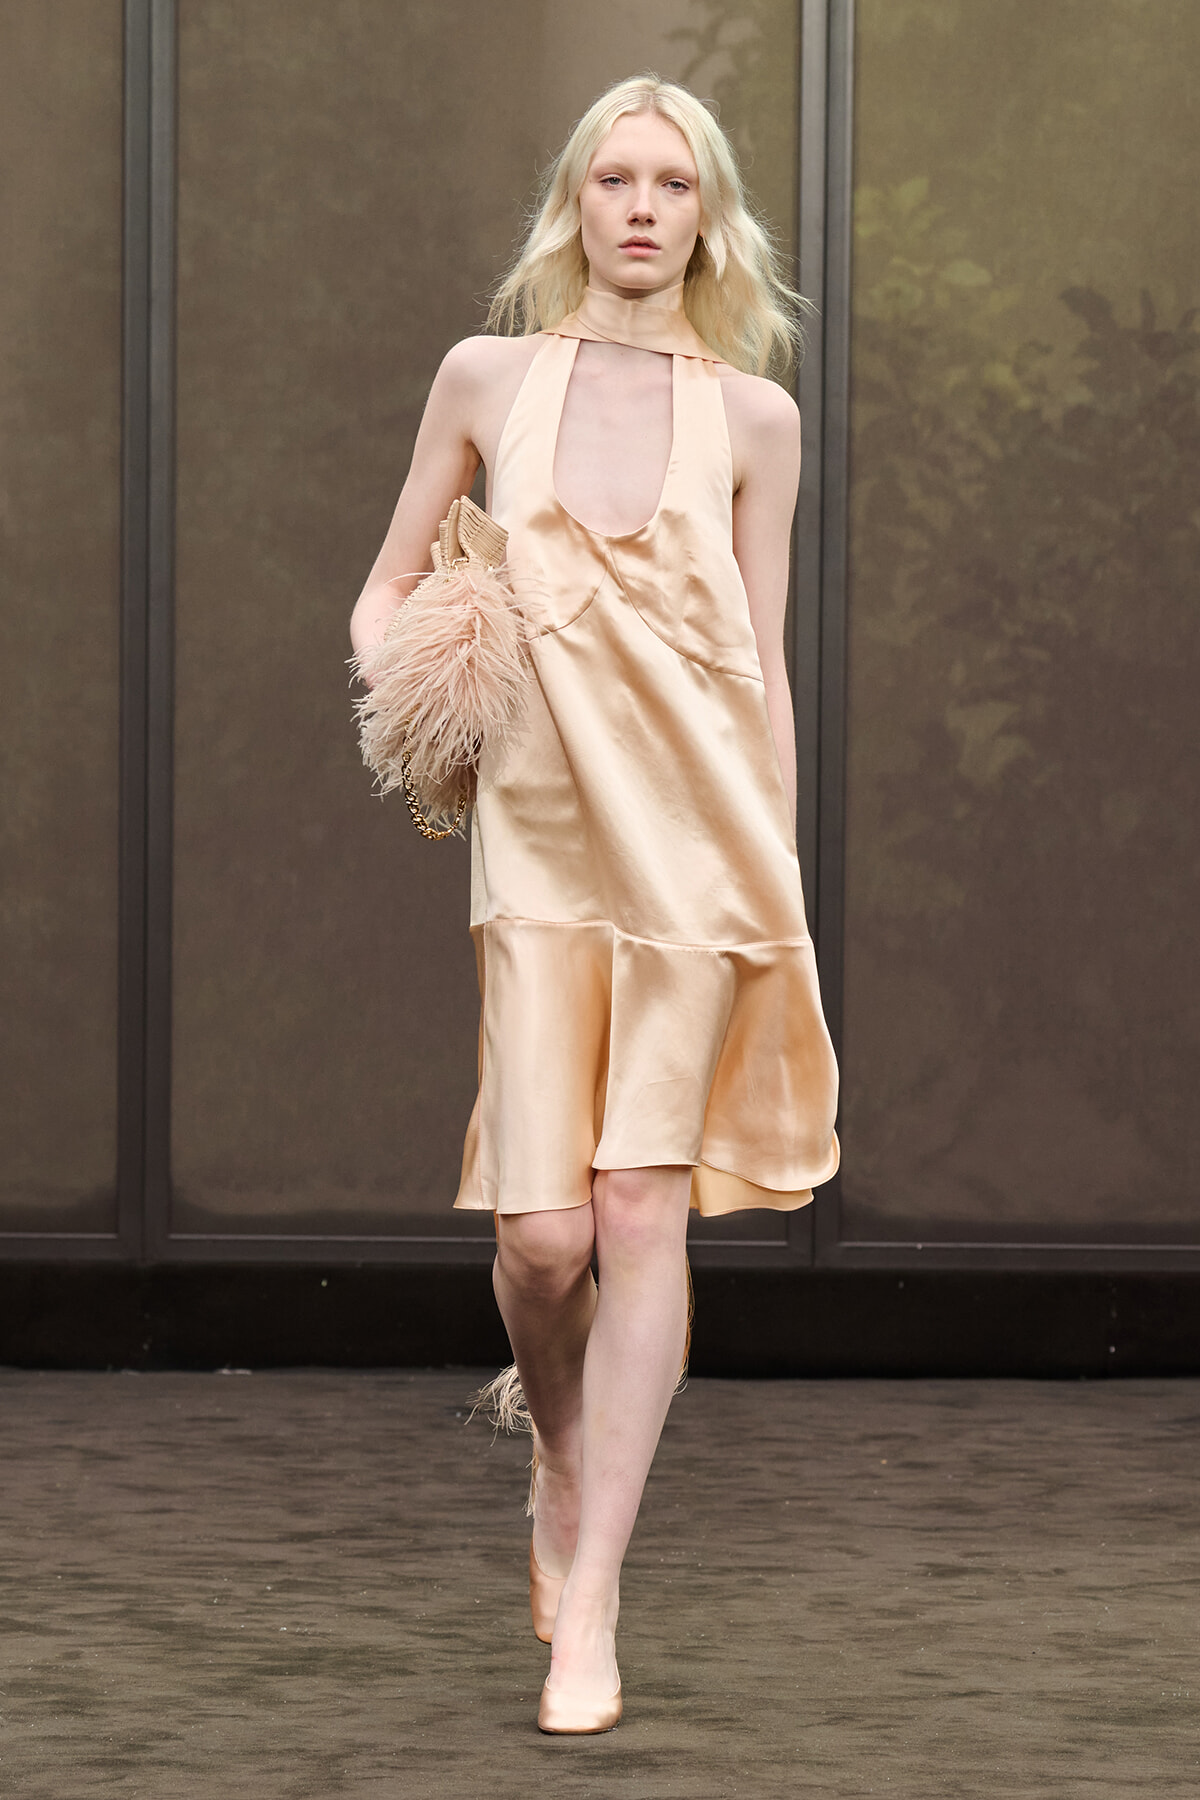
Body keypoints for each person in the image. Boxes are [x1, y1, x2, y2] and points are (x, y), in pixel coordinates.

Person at [349, 73, 839, 1734]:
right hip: (545, 850)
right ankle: (557, 1458)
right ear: (575, 202)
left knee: (640, 1212)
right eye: (616, 178)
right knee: (541, 1241)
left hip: (699, 851)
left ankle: (597, 1596)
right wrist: (429, 678)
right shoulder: (487, 378)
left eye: (673, 183)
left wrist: (778, 870)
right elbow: (385, 589)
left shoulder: (755, 418)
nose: (642, 206)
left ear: (710, 218)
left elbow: (763, 663)